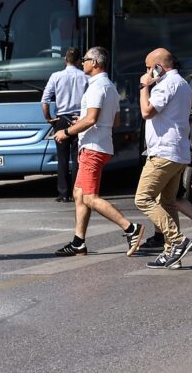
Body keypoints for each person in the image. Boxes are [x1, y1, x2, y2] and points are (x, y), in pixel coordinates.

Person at [53, 46, 145, 257]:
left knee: (90, 197)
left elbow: (92, 119)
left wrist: (67, 131)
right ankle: (78, 242)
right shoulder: (109, 86)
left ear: (94, 63)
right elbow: (114, 120)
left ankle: (131, 228)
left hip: (93, 148)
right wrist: (85, 120)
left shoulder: (96, 86)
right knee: (78, 194)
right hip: (100, 145)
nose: (81, 62)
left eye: (85, 59)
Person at [134, 48, 192, 269]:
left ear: (159, 66)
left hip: (163, 152)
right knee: (166, 202)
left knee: (143, 198)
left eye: (149, 67)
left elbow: (147, 111)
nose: (147, 71)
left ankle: (177, 240)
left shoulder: (167, 84)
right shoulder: (183, 83)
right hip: (177, 152)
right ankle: (172, 253)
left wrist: (144, 86)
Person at [41, 48, 88, 202]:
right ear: (78, 61)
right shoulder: (85, 77)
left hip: (61, 119)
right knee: (77, 157)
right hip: (78, 119)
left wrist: (49, 118)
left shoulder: (56, 76)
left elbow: (45, 100)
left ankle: (63, 193)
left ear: (65, 59)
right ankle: (76, 192)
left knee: (62, 157)